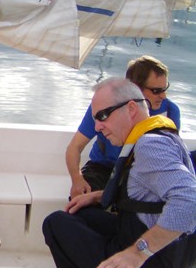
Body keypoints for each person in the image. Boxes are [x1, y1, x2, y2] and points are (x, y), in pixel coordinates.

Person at [43, 78, 196, 268]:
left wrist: (136, 254)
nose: (97, 127)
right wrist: (99, 196)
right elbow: (150, 197)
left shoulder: (150, 146)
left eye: (103, 116)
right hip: (166, 250)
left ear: (131, 108)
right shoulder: (159, 136)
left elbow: (189, 201)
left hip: (152, 265)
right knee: (80, 213)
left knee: (55, 223)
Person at [66, 55, 181, 198]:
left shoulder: (171, 111)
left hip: (141, 174)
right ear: (135, 88)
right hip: (103, 168)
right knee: (80, 202)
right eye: (156, 91)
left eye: (165, 88)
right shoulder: (103, 109)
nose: (163, 96)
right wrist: (77, 179)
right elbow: (74, 147)